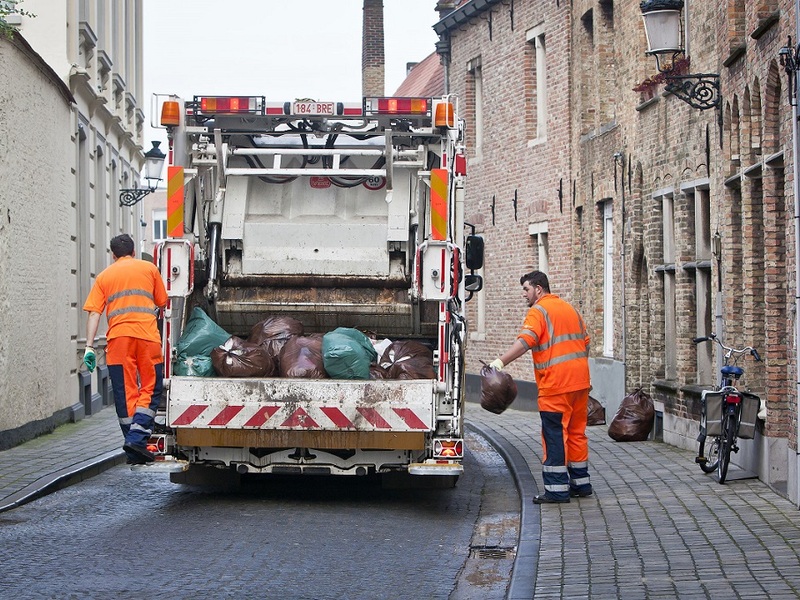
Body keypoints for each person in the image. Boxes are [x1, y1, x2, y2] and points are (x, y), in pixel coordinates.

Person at [487, 270, 592, 504]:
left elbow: (526, 341)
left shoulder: (539, 311)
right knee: (576, 433)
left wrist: (500, 362)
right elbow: (586, 342)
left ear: (539, 289)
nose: (524, 294)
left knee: (554, 434)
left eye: (526, 289)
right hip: (581, 383)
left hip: (555, 385)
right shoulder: (569, 309)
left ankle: (556, 490)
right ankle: (581, 485)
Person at [82, 233, 168, 464]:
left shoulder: (104, 277)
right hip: (147, 337)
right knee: (150, 387)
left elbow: (94, 313)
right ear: (133, 252)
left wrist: (89, 347)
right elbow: (162, 301)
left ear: (113, 255)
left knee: (125, 391)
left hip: (118, 341)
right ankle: (137, 439)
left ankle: (133, 443)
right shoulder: (148, 269)